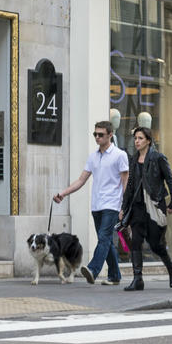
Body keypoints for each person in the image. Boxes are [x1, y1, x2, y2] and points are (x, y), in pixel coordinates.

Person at [54, 120, 129, 286]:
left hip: (112, 204)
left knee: (103, 237)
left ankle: (93, 270)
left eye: (100, 134)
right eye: (95, 134)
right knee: (106, 240)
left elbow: (125, 182)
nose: (97, 137)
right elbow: (81, 180)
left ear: (110, 135)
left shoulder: (120, 155)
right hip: (97, 205)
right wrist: (63, 193)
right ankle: (115, 275)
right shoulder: (93, 157)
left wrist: (124, 206)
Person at [119, 126, 172, 291]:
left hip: (153, 205)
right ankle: (138, 279)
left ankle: (171, 269)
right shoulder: (133, 159)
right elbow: (130, 186)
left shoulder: (158, 158)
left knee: (155, 244)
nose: (137, 141)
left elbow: (170, 180)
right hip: (137, 207)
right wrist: (124, 207)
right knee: (135, 242)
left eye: (140, 138)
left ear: (149, 141)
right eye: (135, 138)